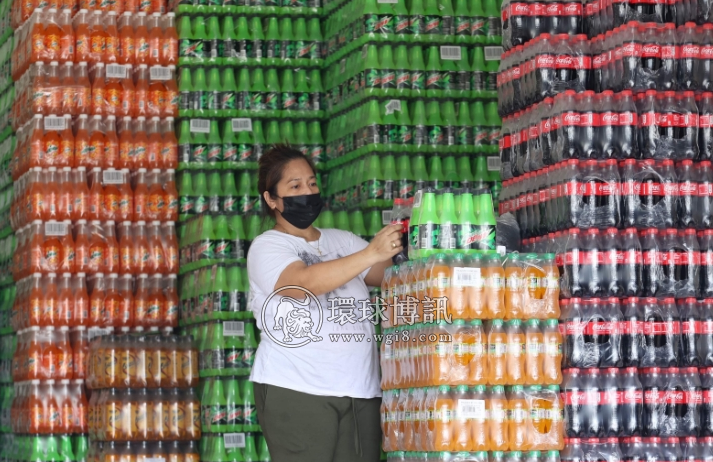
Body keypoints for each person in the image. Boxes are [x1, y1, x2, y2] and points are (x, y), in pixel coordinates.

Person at [246, 145, 403, 462]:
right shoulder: (267, 246)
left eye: (312, 183)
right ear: (271, 199)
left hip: (360, 390)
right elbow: (302, 284)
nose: (307, 191)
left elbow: (392, 277)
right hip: (298, 389)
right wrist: (371, 252)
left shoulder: (341, 241)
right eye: (295, 186)